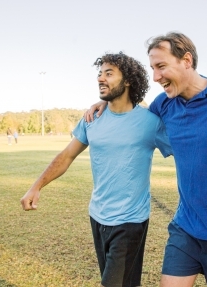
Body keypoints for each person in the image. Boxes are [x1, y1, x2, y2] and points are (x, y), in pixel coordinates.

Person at [87, 33, 207, 287]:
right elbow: (134, 117)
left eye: (161, 66)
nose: (155, 77)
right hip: (186, 227)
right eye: (153, 68)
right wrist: (106, 101)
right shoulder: (164, 104)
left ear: (186, 60)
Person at [21, 52, 173, 287]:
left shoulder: (150, 122)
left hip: (130, 220)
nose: (101, 78)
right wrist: (36, 186)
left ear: (128, 80)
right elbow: (67, 155)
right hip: (98, 216)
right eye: (100, 73)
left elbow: (187, 149)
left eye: (109, 74)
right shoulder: (92, 118)